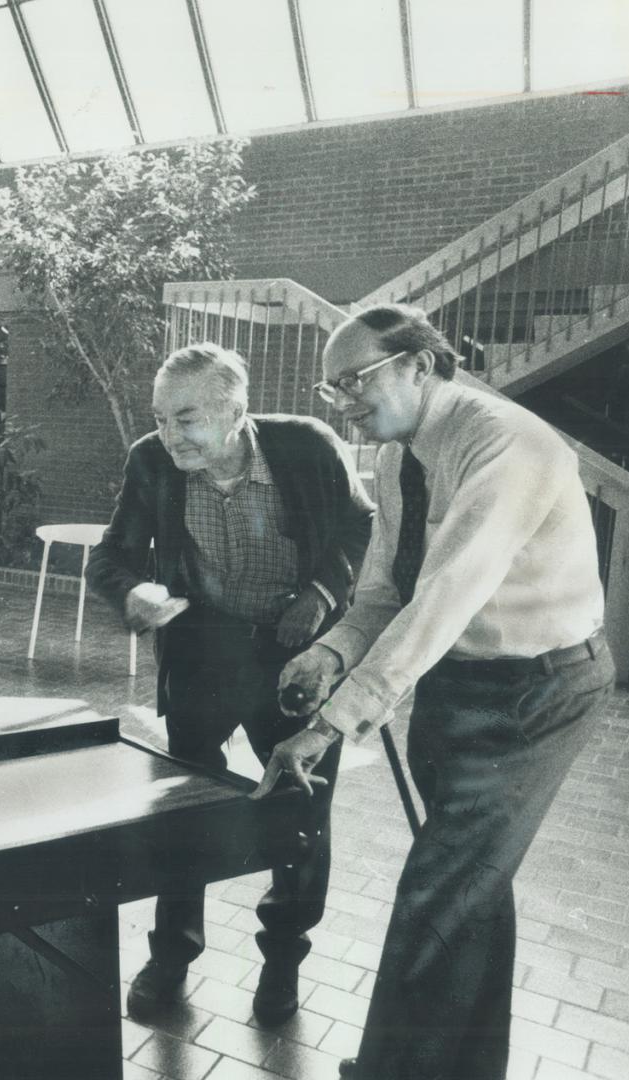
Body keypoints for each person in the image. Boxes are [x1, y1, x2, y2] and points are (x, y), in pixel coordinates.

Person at [252, 305, 614, 1080]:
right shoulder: (399, 452)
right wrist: (331, 651)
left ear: (419, 362)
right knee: (467, 888)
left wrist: (327, 726)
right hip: (457, 679)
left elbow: (444, 595)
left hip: (538, 693)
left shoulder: (505, 445)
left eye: (356, 379)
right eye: (332, 386)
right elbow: (386, 588)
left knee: (437, 893)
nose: (343, 399)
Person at [85, 342, 374, 1026]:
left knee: (299, 812)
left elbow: (360, 524)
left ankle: (281, 961)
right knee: (180, 809)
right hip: (202, 654)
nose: (166, 435)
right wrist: (134, 594)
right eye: (159, 418)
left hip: (295, 660)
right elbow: (111, 555)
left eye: (183, 419)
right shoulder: (150, 461)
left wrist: (322, 593)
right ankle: (171, 956)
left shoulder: (306, 446)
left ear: (236, 411)